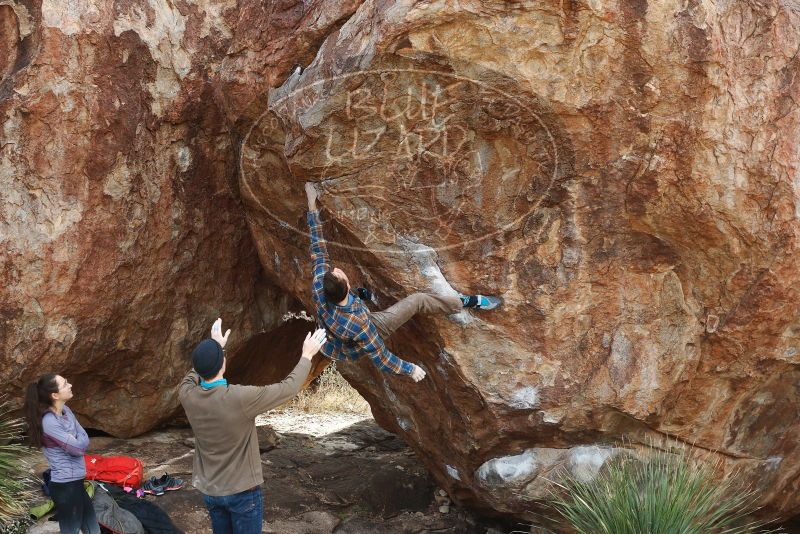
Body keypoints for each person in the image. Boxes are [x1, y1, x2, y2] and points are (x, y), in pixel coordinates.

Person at [304, 181, 500, 382]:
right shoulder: (360, 325)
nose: (336, 269)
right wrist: (409, 369)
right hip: (355, 336)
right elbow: (381, 358)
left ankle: (365, 296)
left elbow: (318, 250)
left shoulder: (320, 287)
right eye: (339, 273)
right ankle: (464, 302)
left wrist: (312, 203)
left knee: (361, 295)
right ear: (345, 285)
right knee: (417, 300)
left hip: (332, 339)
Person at [179, 318, 326, 534]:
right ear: (224, 364)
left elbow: (192, 375)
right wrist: (307, 355)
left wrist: (215, 347)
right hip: (241, 492)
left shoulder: (187, 395)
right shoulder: (239, 398)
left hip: (211, 490)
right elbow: (288, 388)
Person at [24, 374, 101, 534]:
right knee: (70, 530)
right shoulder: (49, 422)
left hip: (76, 482)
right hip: (65, 486)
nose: (70, 385)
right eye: (65, 384)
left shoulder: (66, 411)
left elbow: (84, 437)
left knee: (93, 529)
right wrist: (77, 440)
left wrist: (77, 440)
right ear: (55, 395)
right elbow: (79, 448)